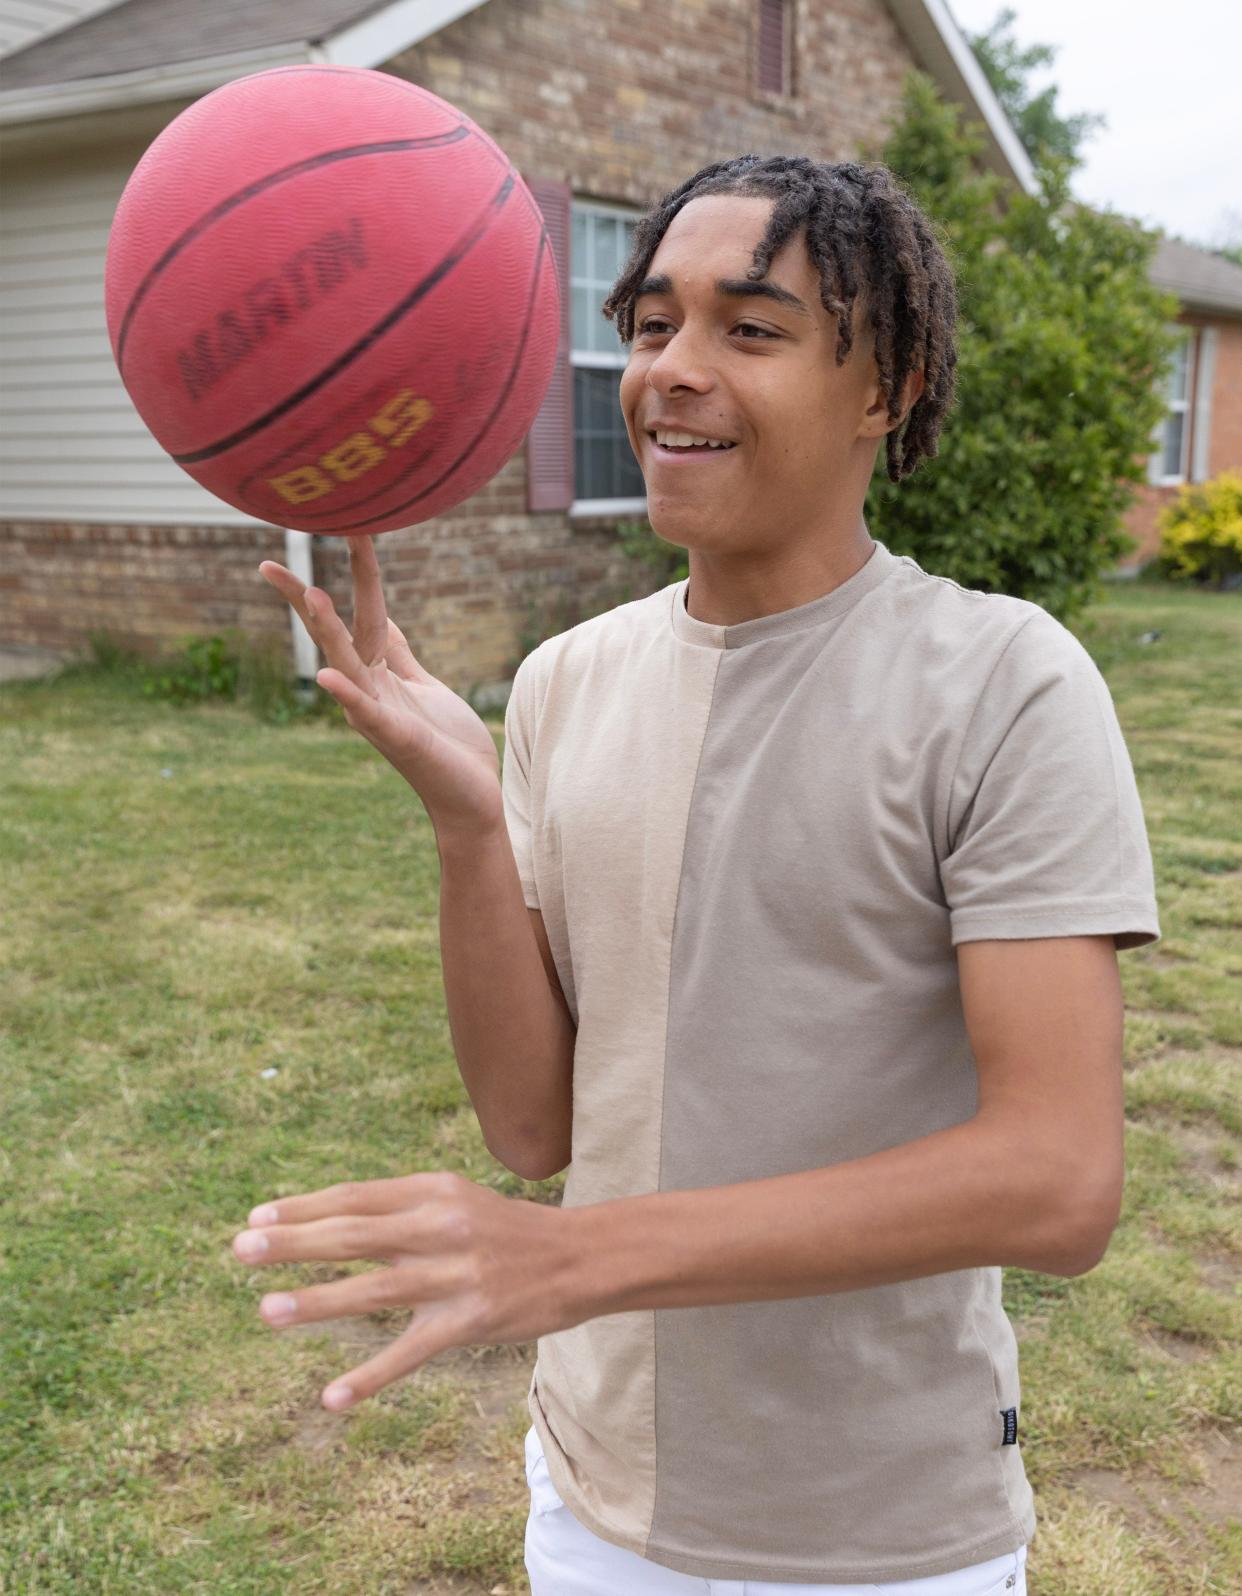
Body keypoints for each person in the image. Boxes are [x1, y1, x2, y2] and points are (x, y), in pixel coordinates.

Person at [242, 154, 1160, 1595]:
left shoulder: (1000, 684)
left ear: (887, 387)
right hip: (593, 1490)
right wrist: (472, 827)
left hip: (875, 1527)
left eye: (748, 328)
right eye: (653, 321)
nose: (669, 370)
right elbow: (534, 1128)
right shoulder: (563, 680)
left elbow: (1057, 1181)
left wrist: (570, 1262)